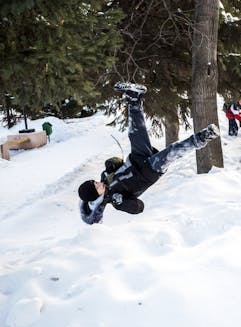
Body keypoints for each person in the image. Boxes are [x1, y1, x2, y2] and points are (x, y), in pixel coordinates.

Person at [78, 82, 220, 224]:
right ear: (96, 196)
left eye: (95, 182)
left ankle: (134, 98)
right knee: (172, 152)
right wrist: (123, 203)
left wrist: (112, 164)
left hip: (137, 158)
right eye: (97, 188)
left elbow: (117, 164)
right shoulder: (116, 200)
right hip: (149, 171)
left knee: (135, 132)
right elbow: (139, 207)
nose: (99, 184)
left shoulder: (105, 177)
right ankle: (203, 137)